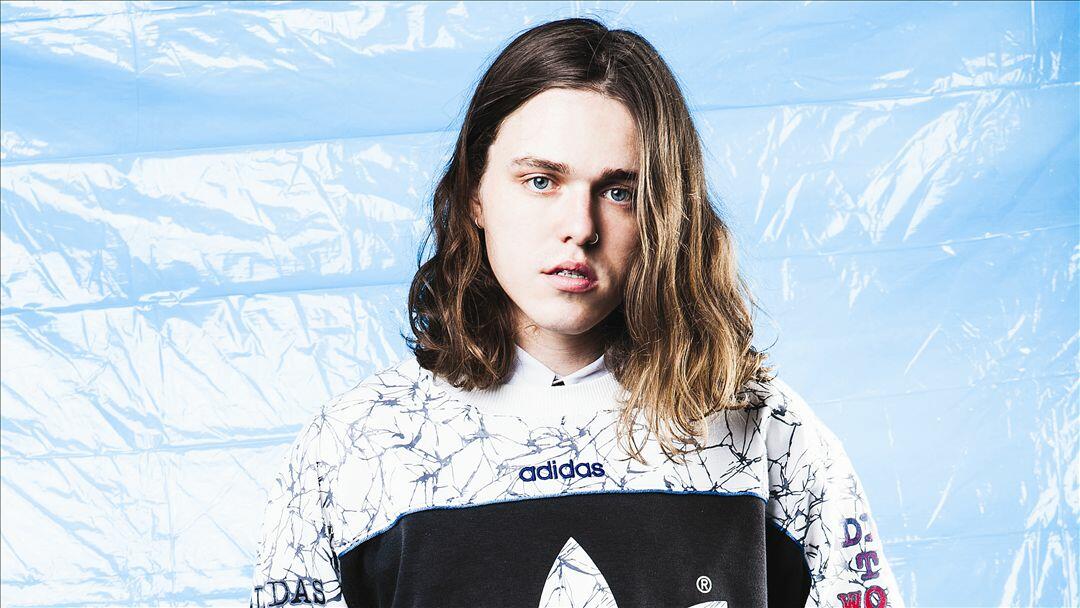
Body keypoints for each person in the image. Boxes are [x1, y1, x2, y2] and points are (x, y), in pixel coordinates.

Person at [249, 16, 904, 608]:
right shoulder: (354, 448)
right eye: (541, 181)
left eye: (620, 192)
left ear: (665, 213)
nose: (580, 227)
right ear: (475, 193)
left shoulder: (767, 431)